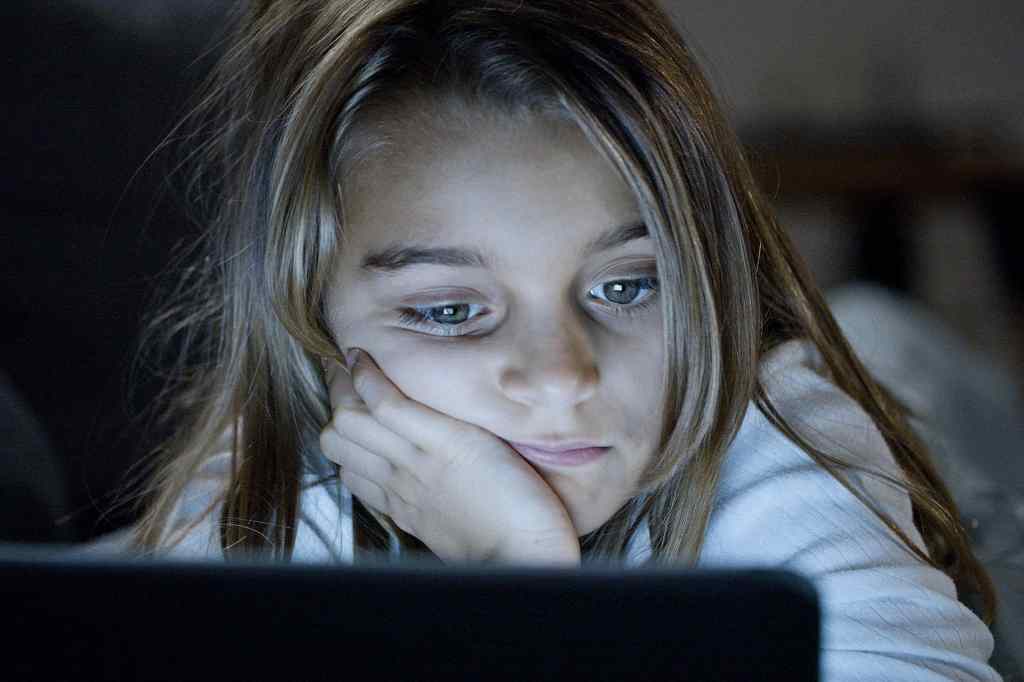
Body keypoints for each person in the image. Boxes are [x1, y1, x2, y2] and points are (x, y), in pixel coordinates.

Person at [84, 1, 1004, 679]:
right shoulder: (266, 507)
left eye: (627, 285)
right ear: (312, 321)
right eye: (450, 310)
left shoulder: (773, 432)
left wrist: (520, 587)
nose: (563, 376)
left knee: (889, 335)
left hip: (941, 418)